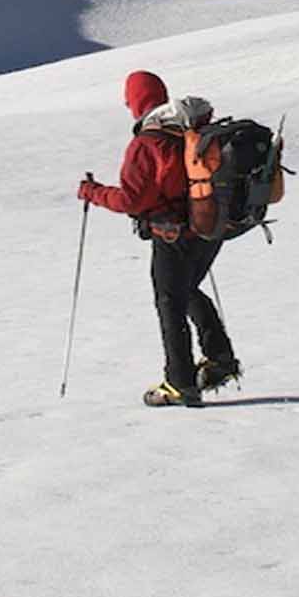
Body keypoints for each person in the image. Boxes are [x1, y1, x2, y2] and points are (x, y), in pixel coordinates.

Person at [77, 70, 241, 408]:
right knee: (187, 290)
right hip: (209, 227)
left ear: (137, 101)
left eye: (128, 99)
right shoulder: (188, 132)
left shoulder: (148, 143)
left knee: (170, 302)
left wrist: (92, 192)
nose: (126, 104)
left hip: (172, 235)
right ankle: (219, 359)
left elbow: (131, 201)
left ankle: (180, 382)